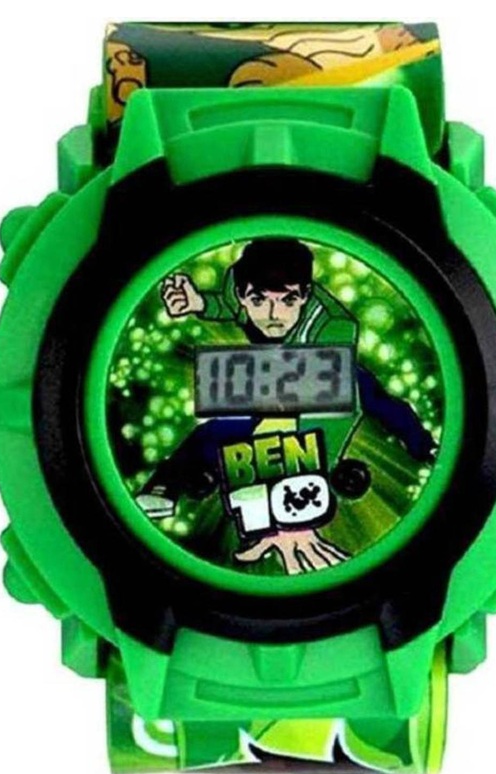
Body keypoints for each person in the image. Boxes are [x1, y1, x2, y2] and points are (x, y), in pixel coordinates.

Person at [137, 238, 436, 575]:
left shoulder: (334, 328)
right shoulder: (237, 284)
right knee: (219, 428)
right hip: (273, 368)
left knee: (365, 391)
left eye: (288, 301)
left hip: (317, 373)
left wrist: (305, 477)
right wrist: (199, 303)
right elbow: (230, 306)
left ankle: (424, 446)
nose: (273, 315)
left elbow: (332, 414)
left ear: (305, 295)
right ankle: (166, 481)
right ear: (242, 293)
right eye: (259, 300)